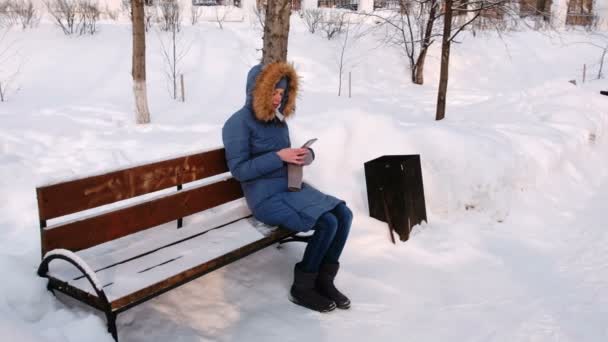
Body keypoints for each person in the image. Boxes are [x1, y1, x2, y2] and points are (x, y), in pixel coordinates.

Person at [222, 62, 353, 313]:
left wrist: (305, 155)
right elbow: (240, 171)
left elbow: (287, 155)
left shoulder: (277, 121)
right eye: (273, 92)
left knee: (344, 215)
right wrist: (278, 157)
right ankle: (302, 287)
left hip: (290, 186)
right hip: (264, 198)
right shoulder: (236, 124)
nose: (277, 99)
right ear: (257, 91)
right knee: (328, 222)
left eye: (282, 94)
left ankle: (324, 281)